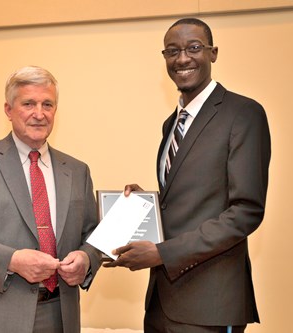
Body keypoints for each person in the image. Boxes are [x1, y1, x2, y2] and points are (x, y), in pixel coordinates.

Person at [104, 18, 271, 333]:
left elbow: (246, 212)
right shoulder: (172, 124)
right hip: (161, 303)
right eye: (172, 51)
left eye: (194, 48)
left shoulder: (243, 114)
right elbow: (186, 202)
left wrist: (162, 252)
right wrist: (148, 204)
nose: (182, 58)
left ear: (213, 53)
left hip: (210, 305)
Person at [0, 66, 101, 333]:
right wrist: (12, 260)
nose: (39, 114)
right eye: (28, 103)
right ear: (8, 110)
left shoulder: (77, 170)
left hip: (60, 316)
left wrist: (86, 259)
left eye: (47, 104)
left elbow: (92, 234)